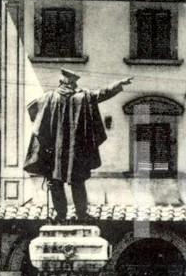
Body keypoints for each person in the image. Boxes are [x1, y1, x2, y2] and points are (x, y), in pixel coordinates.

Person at [23, 70, 132, 221]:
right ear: (72, 82)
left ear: (63, 81)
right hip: (73, 151)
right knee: (75, 182)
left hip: (59, 152)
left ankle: (62, 215)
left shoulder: (50, 97)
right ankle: (79, 215)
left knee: (58, 183)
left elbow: (32, 110)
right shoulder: (81, 96)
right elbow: (102, 93)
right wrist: (118, 84)